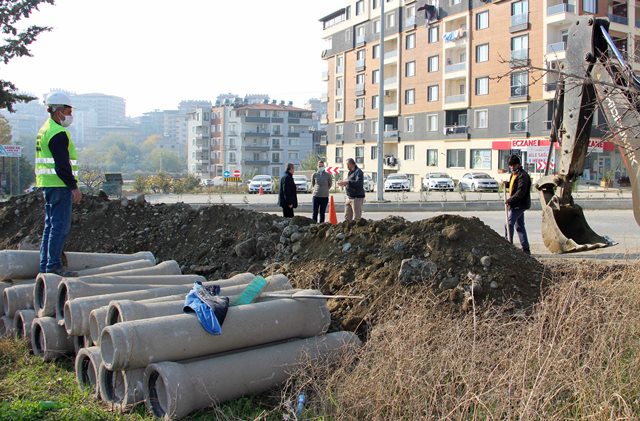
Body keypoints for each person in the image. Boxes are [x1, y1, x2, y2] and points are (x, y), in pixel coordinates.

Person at [36, 92, 82, 275]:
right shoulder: (58, 133)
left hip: (49, 184)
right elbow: (62, 165)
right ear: (58, 111)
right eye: (69, 111)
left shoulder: (45, 129)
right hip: (59, 185)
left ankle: (45, 265)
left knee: (50, 225)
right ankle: (53, 266)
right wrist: (73, 187)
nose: (70, 115)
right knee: (60, 226)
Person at [504, 154, 531, 255]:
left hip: (519, 204)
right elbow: (513, 185)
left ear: (518, 164)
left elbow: (520, 192)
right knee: (519, 226)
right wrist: (506, 184)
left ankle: (507, 245)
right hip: (515, 203)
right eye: (510, 165)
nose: (511, 167)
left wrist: (510, 200)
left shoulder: (523, 176)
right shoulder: (514, 174)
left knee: (508, 223)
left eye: (513, 165)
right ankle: (526, 249)